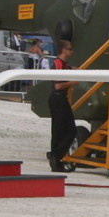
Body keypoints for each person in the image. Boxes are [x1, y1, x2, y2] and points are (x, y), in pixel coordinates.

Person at [47, 40, 77, 173]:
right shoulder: (58, 64)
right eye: (70, 49)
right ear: (63, 50)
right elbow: (58, 85)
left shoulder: (65, 65)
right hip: (58, 98)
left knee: (60, 131)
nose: (72, 51)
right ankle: (56, 156)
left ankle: (56, 158)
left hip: (60, 99)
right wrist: (73, 82)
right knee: (68, 130)